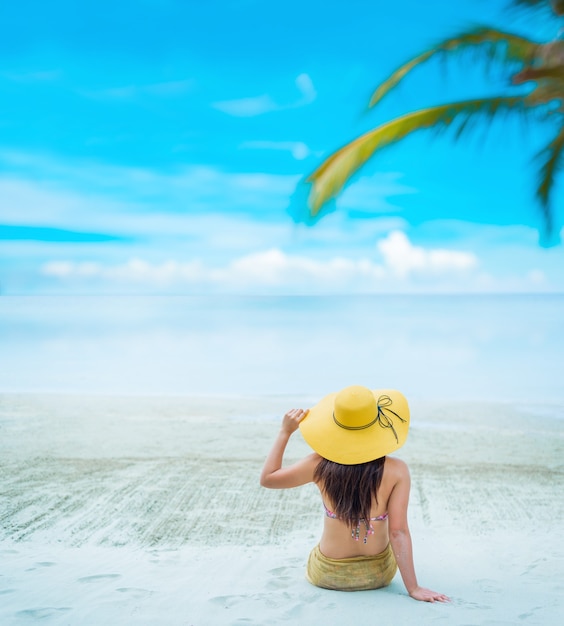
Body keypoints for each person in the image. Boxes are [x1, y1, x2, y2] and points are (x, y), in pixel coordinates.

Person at [260, 385, 449, 602]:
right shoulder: (397, 470)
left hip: (327, 574)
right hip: (378, 575)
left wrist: (285, 432)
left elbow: (268, 478)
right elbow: (398, 532)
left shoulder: (318, 464)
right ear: (377, 425)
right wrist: (413, 588)